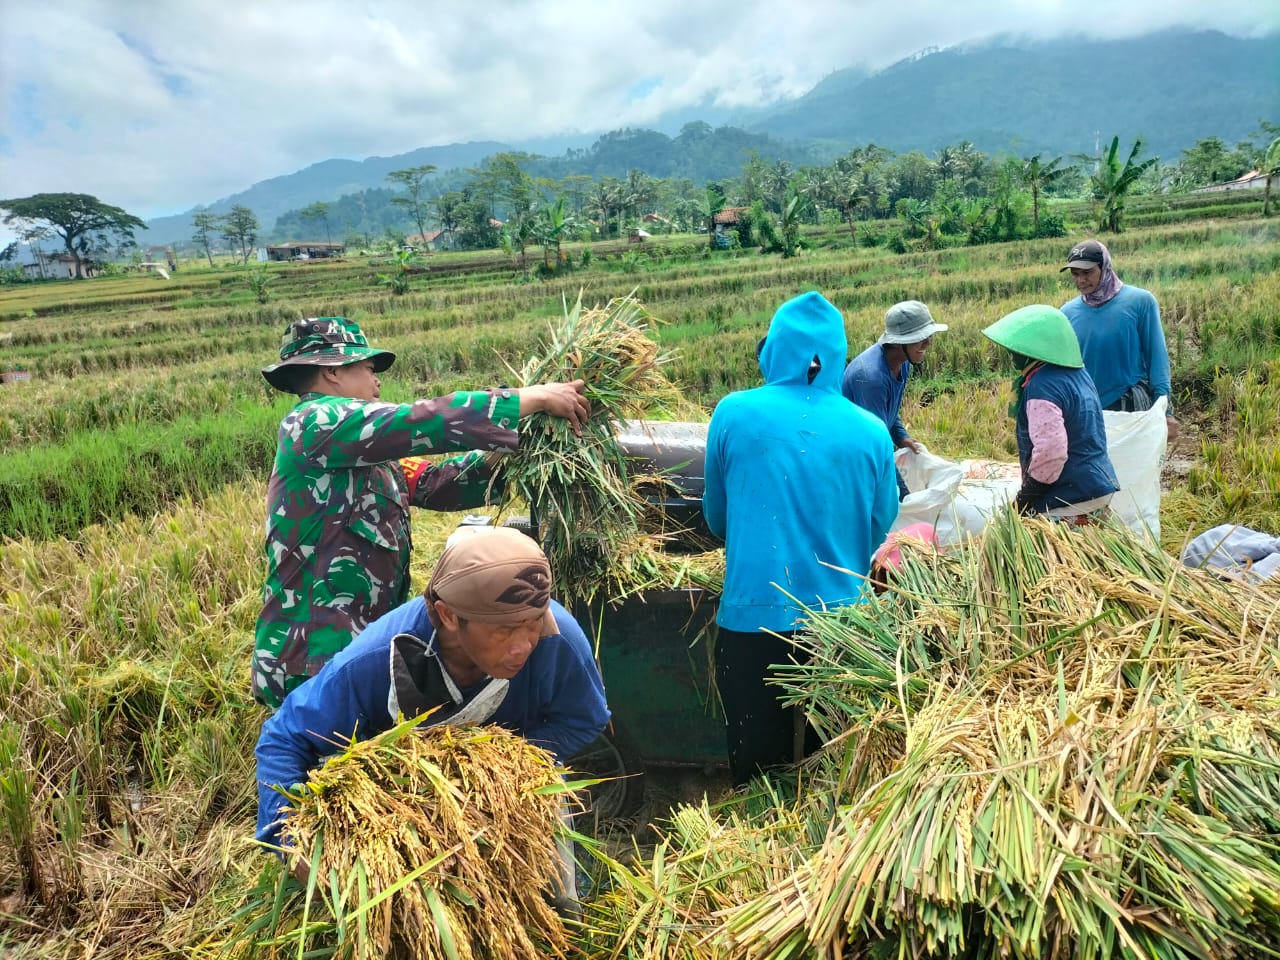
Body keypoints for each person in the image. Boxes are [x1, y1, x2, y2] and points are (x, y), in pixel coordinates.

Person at [255, 525, 610, 908]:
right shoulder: (377, 660)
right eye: (505, 630)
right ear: (449, 615)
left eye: (534, 622)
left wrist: (503, 768)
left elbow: (584, 718)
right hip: (406, 801)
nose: (523, 645)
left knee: (553, 907)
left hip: (515, 790)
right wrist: (289, 839)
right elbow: (284, 737)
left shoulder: (557, 639)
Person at [252, 315, 590, 708]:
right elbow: (418, 420)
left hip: (357, 650)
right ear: (332, 371)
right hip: (314, 657)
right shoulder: (312, 422)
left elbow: (435, 483)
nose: (377, 381)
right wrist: (529, 399)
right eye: (368, 368)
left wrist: (512, 452)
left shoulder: (368, 455)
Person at [703, 291, 899, 787]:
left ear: (774, 348)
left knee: (758, 781)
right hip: (843, 629)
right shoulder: (873, 432)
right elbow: (879, 527)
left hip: (753, 622)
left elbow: (717, 520)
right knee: (832, 777)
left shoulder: (732, 413)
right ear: (838, 354)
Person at [982, 304, 1120, 520]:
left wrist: (1025, 499)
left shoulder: (1043, 386)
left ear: (1034, 349)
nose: (1011, 355)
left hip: (1068, 498)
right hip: (1098, 485)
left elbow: (1052, 452)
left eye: (1015, 350)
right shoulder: (1078, 374)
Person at [1059, 239, 1179, 440]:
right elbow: (1065, 370)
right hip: (1087, 411)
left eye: (1087, 272)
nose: (1081, 280)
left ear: (1105, 267)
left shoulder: (1139, 302)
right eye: (1075, 274)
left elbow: (1157, 358)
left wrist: (1165, 411)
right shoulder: (1067, 313)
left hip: (1130, 407)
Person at [841, 300, 948, 500]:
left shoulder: (902, 362)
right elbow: (877, 445)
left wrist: (900, 436)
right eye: (921, 338)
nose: (928, 343)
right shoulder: (871, 378)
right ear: (899, 343)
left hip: (870, 445)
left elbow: (888, 409)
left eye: (929, 336)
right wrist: (904, 496)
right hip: (853, 457)